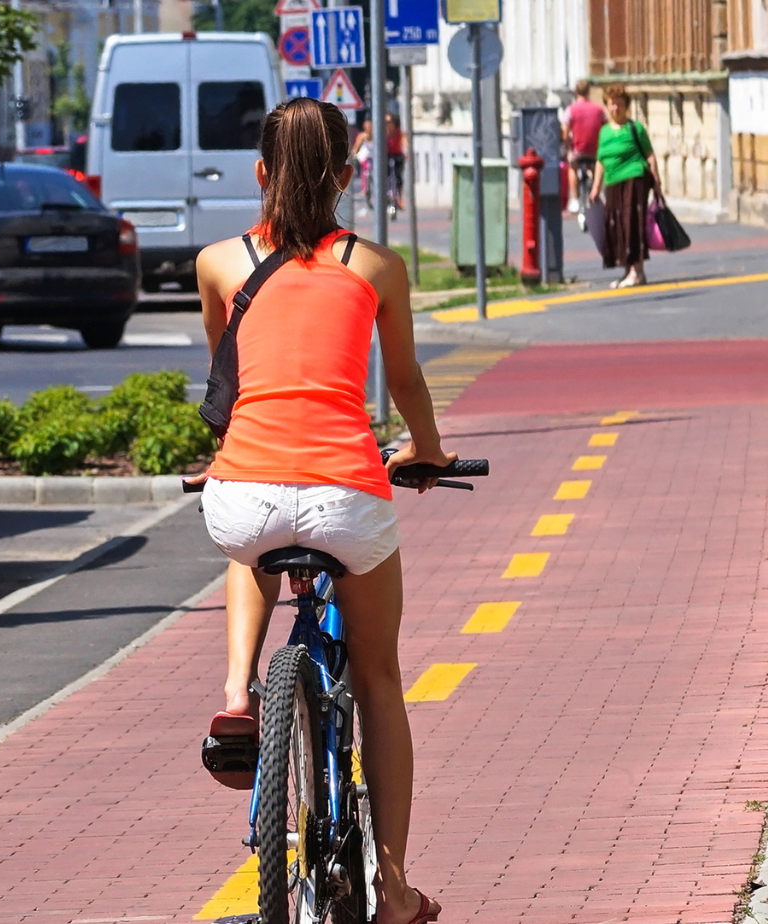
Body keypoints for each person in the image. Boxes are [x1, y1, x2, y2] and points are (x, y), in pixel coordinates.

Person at [191, 96, 453, 924]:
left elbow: (233, 388)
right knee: (377, 676)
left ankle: (239, 692)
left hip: (248, 491)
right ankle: (395, 887)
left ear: (260, 174)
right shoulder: (376, 267)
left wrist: (230, 465)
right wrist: (428, 451)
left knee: (246, 534)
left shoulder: (219, 263)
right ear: (347, 174)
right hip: (347, 492)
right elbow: (404, 382)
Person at [590, 86, 661, 288]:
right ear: (607, 105)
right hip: (612, 183)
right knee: (617, 226)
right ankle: (628, 271)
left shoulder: (635, 128)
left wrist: (656, 181)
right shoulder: (604, 132)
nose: (615, 108)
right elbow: (600, 160)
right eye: (612, 103)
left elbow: (650, 155)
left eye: (620, 104)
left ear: (626, 106)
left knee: (632, 224)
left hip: (634, 179)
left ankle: (637, 271)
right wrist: (596, 187)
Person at [565, 80, 607, 227]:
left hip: (578, 151)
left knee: (572, 167)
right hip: (595, 151)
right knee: (598, 168)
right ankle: (597, 192)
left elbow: (565, 133)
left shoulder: (571, 109)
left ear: (576, 93)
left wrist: (568, 147)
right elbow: (606, 128)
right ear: (589, 92)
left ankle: (575, 199)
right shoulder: (599, 110)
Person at [385, 112, 407, 212]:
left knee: (398, 177)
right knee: (385, 176)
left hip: (397, 155)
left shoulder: (399, 132)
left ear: (394, 123)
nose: (387, 124)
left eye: (389, 122)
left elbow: (404, 141)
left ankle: (399, 199)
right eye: (385, 122)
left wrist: (406, 150)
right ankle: (385, 197)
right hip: (386, 155)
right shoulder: (382, 132)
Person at [353, 119, 374, 208]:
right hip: (364, 157)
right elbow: (356, 148)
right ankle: (365, 188)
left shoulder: (376, 135)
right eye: (367, 126)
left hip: (374, 157)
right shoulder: (362, 136)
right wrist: (354, 155)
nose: (369, 128)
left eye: (370, 126)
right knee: (366, 169)